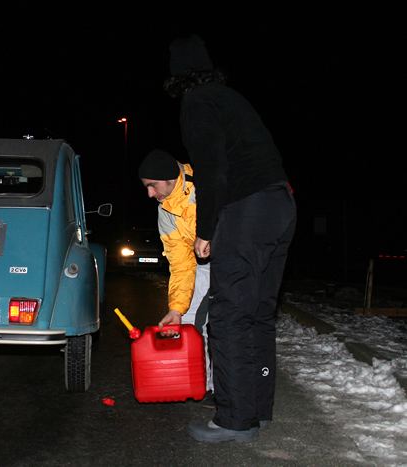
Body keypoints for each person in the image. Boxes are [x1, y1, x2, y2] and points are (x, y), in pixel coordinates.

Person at [164, 35, 297, 443]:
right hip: (281, 204)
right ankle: (257, 410)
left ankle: (234, 420)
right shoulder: (232, 98)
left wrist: (206, 231)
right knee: (257, 312)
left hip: (247, 208)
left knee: (228, 314)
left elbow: (210, 170)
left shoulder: (197, 103)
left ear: (177, 75)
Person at [138, 149, 214, 405]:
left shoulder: (206, 184)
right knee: (189, 320)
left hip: (237, 259)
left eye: (152, 185)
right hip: (203, 264)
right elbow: (181, 263)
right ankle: (202, 384)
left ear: (169, 177)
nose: (149, 193)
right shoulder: (166, 211)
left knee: (229, 322)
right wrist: (176, 308)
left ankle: (233, 386)